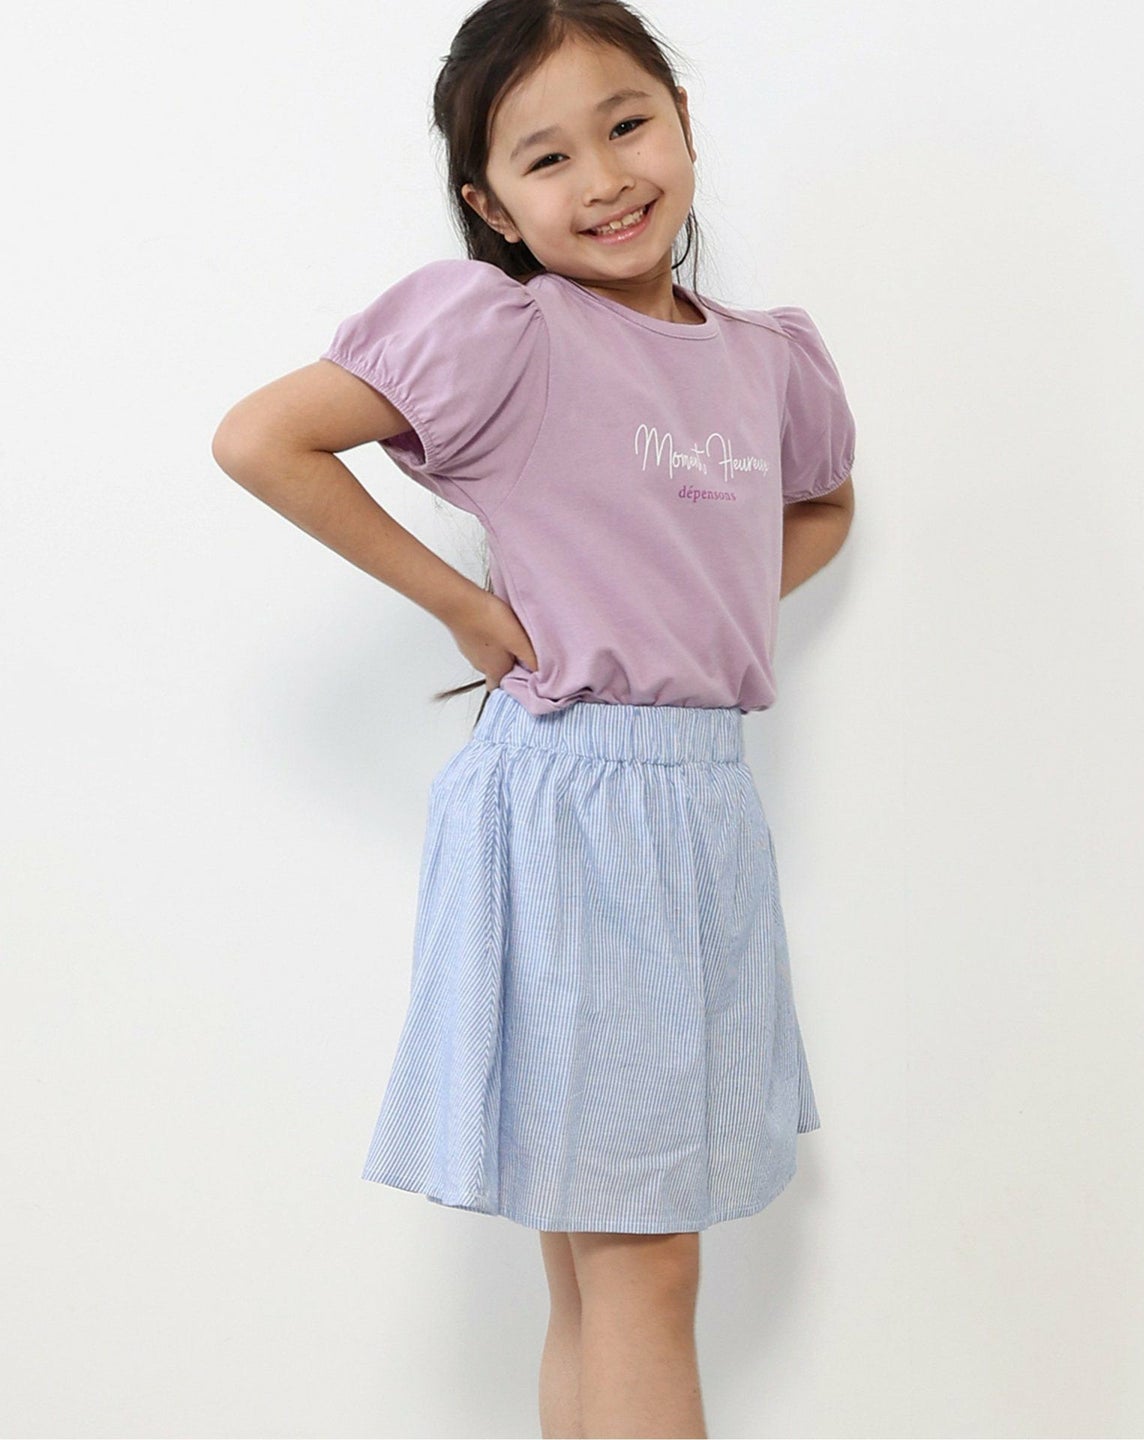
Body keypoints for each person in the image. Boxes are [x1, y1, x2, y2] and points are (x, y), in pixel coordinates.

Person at [210, 1, 857, 1434]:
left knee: (607, 1264)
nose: (606, 179)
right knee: (639, 1261)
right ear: (492, 205)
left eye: (628, 125)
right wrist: (461, 604)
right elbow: (263, 438)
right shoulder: (509, 334)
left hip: (705, 807)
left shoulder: (767, 359)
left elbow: (822, 503)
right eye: (548, 157)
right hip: (577, 804)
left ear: (684, 125)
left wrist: (700, 594)